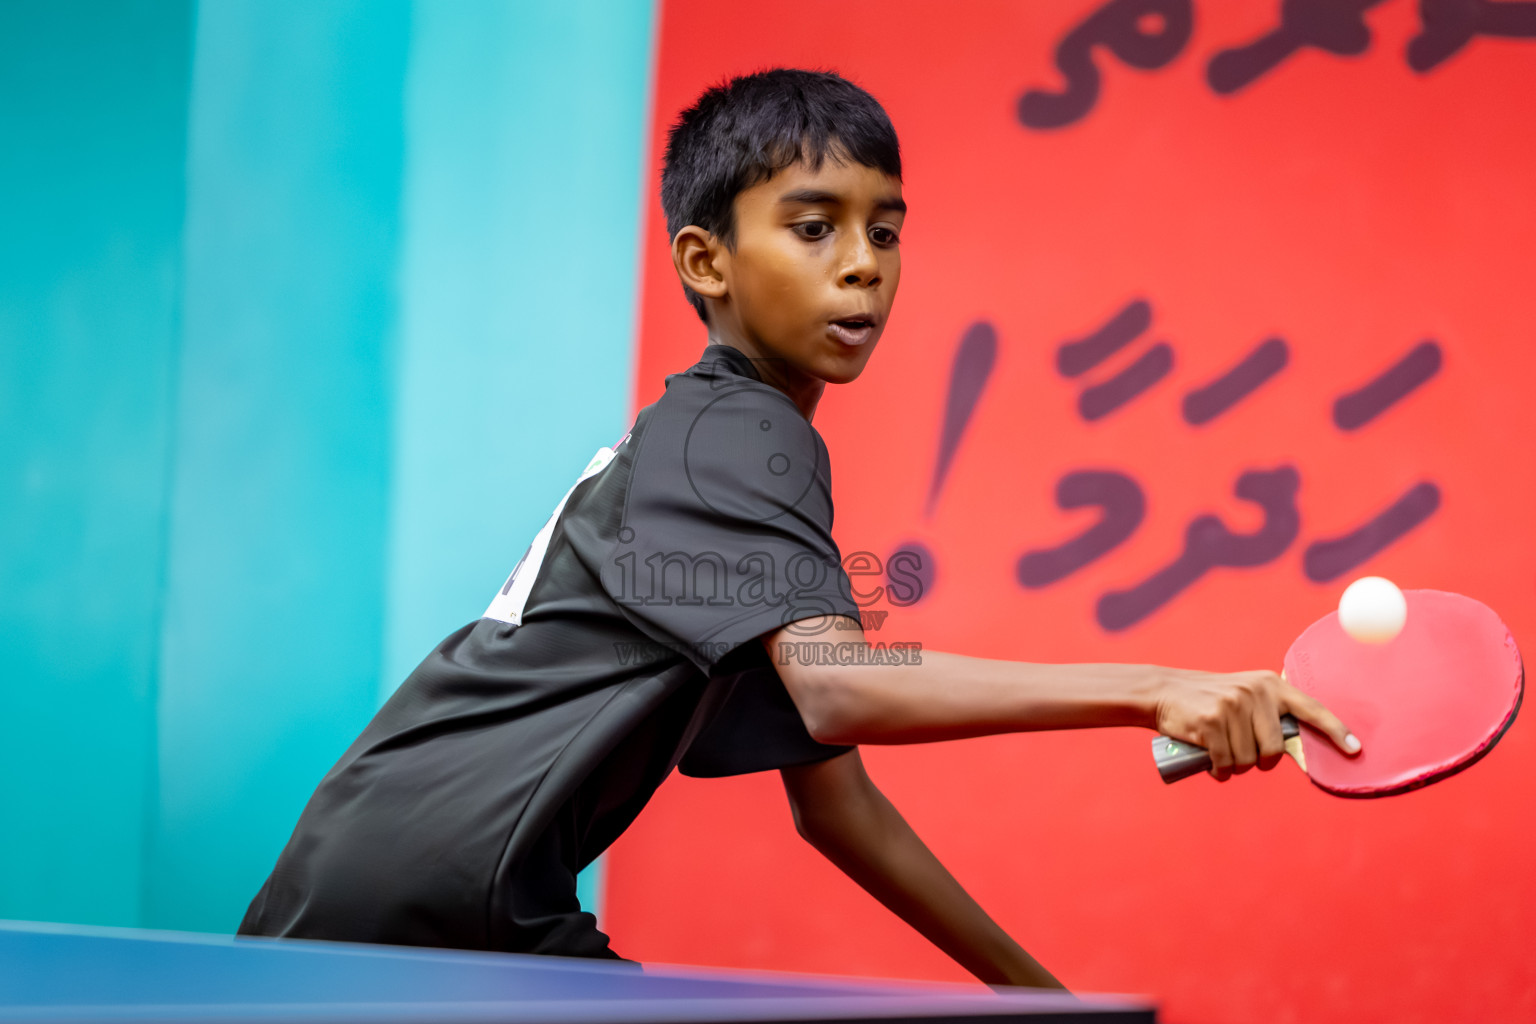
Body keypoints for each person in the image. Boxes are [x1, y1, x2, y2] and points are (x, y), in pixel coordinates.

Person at [239, 68, 1360, 989]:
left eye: (886, 229)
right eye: (815, 227)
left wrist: (1037, 995)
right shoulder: (739, 432)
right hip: (432, 897)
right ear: (706, 261)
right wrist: (1154, 685)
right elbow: (843, 684)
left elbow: (839, 807)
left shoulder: (722, 456)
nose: (865, 261)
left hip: (408, 881)